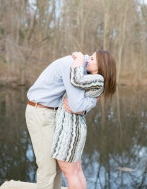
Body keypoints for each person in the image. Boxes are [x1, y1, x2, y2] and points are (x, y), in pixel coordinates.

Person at [25, 50, 116, 189]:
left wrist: (86, 106)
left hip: (58, 117)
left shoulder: (85, 73)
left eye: (93, 59)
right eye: (90, 57)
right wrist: (88, 104)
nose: (89, 59)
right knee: (48, 169)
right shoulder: (73, 66)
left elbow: (77, 105)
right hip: (41, 112)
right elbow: (76, 105)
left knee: (59, 168)